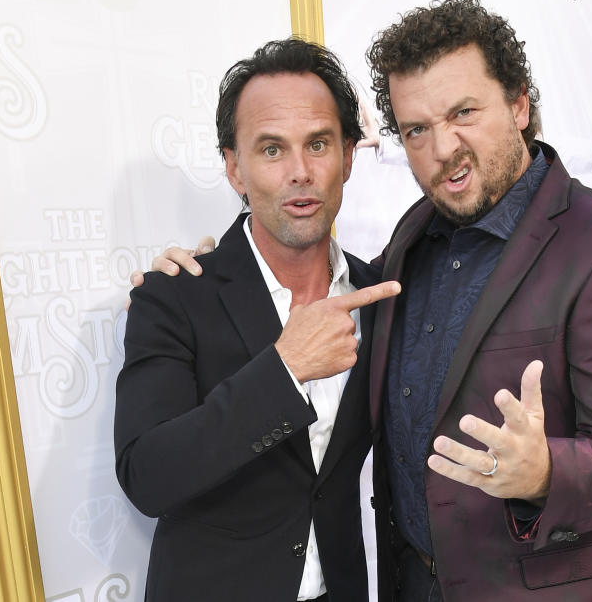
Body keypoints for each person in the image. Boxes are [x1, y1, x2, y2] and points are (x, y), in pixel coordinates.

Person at [140, 0, 592, 601]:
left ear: (520, 104)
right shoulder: (409, 244)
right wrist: (192, 283)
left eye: (464, 113)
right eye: (417, 129)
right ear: (235, 170)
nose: (443, 148)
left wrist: (545, 472)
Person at [115, 38, 400, 602]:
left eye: (318, 144)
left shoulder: (379, 294)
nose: (300, 171)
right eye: (271, 150)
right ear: (234, 168)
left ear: (348, 154)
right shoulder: (174, 296)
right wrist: (285, 368)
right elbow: (148, 477)